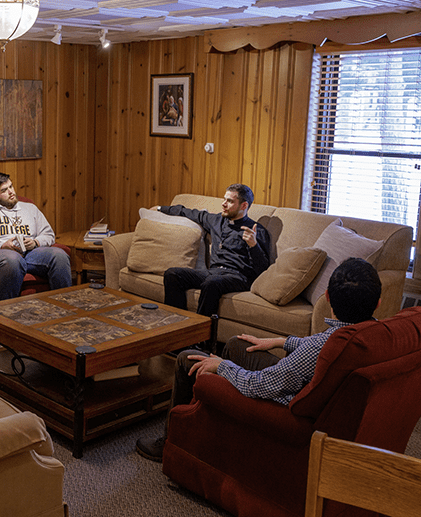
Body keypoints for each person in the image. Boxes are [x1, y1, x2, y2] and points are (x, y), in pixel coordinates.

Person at [136, 257, 383, 462]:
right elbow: (322, 345)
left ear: (327, 297)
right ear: (378, 303)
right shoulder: (376, 333)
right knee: (236, 344)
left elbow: (256, 384)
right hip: (308, 386)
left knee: (186, 358)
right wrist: (280, 341)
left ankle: (171, 442)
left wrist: (223, 367)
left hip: (285, 405)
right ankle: (210, 421)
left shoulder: (322, 347)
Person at [158, 183, 271, 317]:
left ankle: (201, 332)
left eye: (229, 201)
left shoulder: (256, 230)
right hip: (212, 272)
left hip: (238, 276)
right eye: (224, 199)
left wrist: (253, 245)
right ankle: (176, 323)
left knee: (211, 283)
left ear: (244, 206)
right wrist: (160, 208)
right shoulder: (216, 220)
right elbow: (190, 213)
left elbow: (263, 269)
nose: (223, 204)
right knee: (173, 274)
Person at [0, 172, 71, 301]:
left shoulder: (30, 208)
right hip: (1, 254)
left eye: (11, 186)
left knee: (59, 255)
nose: (11, 192)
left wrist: (35, 242)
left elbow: (49, 234)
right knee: (12, 260)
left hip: (32, 252)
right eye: (5, 190)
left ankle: (64, 304)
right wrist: (2, 245)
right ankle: (4, 310)